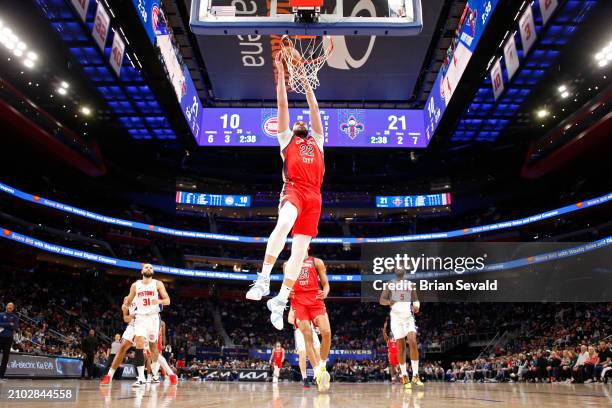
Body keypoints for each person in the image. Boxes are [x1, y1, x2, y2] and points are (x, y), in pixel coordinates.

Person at [245, 51, 326, 332]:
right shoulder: (285, 139)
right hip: (294, 189)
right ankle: (264, 278)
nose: (300, 122)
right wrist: (280, 74)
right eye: (297, 122)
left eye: (302, 123)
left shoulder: (317, 140)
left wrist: (305, 84)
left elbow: (314, 110)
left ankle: (280, 300)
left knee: (300, 251)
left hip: (315, 196)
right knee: (284, 222)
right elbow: (282, 105)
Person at [123, 263, 170, 387]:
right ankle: (141, 378)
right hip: (141, 318)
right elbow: (129, 300)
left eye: (150, 267)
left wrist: (159, 301)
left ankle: (154, 374)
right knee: (139, 342)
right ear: (142, 271)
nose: (148, 268)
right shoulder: (135, 285)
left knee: (153, 348)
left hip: (153, 318)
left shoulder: (158, 283)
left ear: (152, 272)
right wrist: (125, 305)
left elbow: (168, 300)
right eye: (146, 267)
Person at [289, 254, 332, 391]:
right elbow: (286, 284)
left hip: (315, 300)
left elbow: (325, 284)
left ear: (307, 245)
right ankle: (317, 372)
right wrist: (287, 292)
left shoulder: (317, 261)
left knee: (326, 332)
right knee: (307, 337)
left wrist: (325, 292)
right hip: (299, 302)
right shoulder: (288, 263)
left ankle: (322, 366)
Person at [379, 268, 422, 389]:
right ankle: (404, 376)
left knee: (413, 342)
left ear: (404, 273)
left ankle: (416, 375)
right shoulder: (389, 284)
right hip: (396, 319)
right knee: (401, 348)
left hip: (408, 317)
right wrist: (389, 302)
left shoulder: (410, 284)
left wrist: (416, 306)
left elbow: (416, 299)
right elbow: (381, 300)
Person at [288, 307, 320, 389]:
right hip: (300, 331)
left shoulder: (309, 300)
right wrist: (300, 321)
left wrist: (317, 326)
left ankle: (316, 377)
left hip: (311, 329)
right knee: (303, 354)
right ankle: (305, 378)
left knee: (318, 353)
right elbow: (290, 319)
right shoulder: (294, 304)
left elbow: (315, 316)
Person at [0, 302, 18, 381]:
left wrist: (4, 324)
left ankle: (1, 376)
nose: (9, 308)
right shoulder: (1, 314)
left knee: (5, 358)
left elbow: (15, 326)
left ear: (13, 308)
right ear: (6, 307)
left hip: (9, 339)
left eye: (11, 307)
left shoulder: (15, 317)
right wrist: (9, 324)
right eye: (8, 306)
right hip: (0, 336)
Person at [382, 317, 399, 384]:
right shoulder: (388, 339)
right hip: (391, 353)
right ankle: (393, 379)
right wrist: (384, 327)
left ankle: (401, 377)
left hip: (397, 353)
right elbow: (384, 333)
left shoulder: (397, 338)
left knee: (400, 365)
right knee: (391, 366)